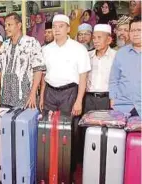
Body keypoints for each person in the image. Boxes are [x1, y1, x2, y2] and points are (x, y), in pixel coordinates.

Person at [41, 15, 91, 175]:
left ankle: (67, 168)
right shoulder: (46, 49)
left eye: (60, 26)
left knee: (69, 131)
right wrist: (41, 97)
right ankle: (50, 166)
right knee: (47, 129)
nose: (56, 30)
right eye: (54, 26)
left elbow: (83, 77)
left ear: (69, 29)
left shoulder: (78, 49)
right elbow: (43, 76)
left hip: (69, 93)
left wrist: (78, 101)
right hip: (50, 92)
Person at [0, 12, 45, 108]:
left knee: (23, 122)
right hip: (5, 98)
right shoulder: (4, 45)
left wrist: (33, 93)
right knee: (6, 122)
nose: (6, 28)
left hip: (25, 98)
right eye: (5, 25)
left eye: (9, 25)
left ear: (19, 25)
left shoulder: (31, 42)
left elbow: (38, 70)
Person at [109, 15, 141, 117]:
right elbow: (114, 79)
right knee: (120, 134)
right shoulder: (121, 53)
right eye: (132, 30)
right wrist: (113, 99)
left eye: (139, 30)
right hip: (123, 107)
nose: (135, 34)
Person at [85, 24, 116, 113]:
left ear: (109, 40)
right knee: (88, 126)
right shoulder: (87, 56)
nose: (96, 41)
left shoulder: (116, 56)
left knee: (105, 125)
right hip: (88, 99)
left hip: (107, 99)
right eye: (94, 38)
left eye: (99, 37)